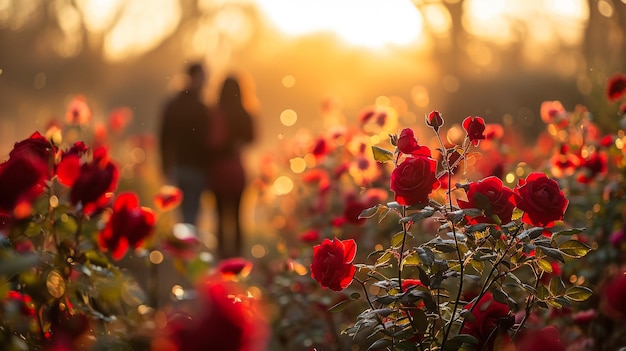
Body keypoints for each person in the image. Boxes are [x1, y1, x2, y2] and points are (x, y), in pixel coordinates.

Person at [208, 75, 256, 258]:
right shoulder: (245, 113)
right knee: (237, 216)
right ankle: (238, 256)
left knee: (220, 217)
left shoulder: (216, 113)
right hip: (237, 169)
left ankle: (221, 256)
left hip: (218, 170)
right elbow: (252, 138)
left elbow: (212, 141)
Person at [159, 62, 211, 226]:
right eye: (203, 77)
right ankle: (187, 247)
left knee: (184, 215)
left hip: (182, 166)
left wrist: (165, 166)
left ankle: (182, 246)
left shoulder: (173, 104)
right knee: (191, 214)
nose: (206, 81)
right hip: (194, 167)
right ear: (194, 77)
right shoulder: (201, 107)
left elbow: (164, 137)